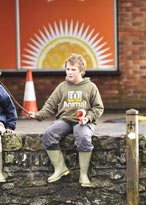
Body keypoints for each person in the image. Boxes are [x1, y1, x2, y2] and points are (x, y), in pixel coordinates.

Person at [28, 54, 104, 187]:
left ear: (81, 71)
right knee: (49, 134)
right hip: (65, 120)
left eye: (73, 69)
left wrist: (88, 118)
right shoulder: (62, 87)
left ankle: (83, 174)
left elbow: (98, 108)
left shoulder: (91, 87)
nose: (69, 72)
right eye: (67, 69)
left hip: (83, 122)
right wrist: (37, 115)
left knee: (83, 137)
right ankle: (60, 168)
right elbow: (50, 105)